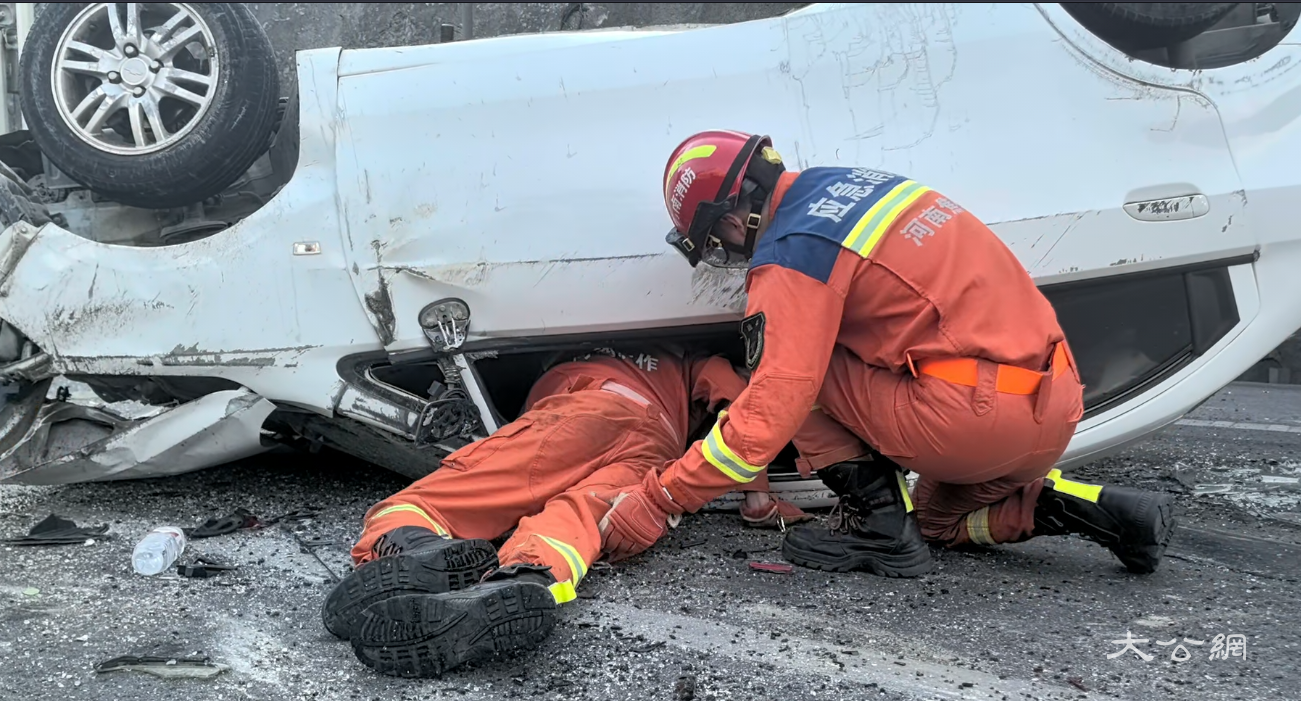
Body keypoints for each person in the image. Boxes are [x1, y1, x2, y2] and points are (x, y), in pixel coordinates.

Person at [596, 129, 1177, 579]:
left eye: (716, 244)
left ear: (729, 217)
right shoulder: (860, 185)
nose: (727, 254)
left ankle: (875, 524)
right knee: (937, 522)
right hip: (1054, 406)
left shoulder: (793, 249)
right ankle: (1103, 512)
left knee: (789, 373)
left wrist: (660, 497)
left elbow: (773, 406)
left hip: (972, 417)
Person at [321, 343, 828, 678]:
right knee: (580, 517)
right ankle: (528, 576)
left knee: (442, 499)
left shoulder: (585, 350)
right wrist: (758, 497)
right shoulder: (695, 358)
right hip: (654, 446)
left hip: (581, 410)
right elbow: (741, 406)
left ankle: (412, 542)